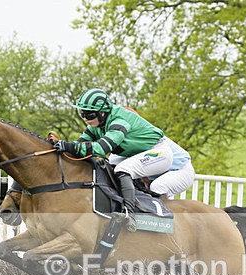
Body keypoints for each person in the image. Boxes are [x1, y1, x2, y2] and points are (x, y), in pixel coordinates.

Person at [51, 88, 195, 230]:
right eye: (82, 113)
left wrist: (68, 146)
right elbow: (79, 145)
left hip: (172, 163)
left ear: (102, 113)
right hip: (153, 158)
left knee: (143, 180)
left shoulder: (120, 121)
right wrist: (59, 148)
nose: (84, 118)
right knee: (110, 165)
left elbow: (101, 148)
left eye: (88, 114)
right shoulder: (98, 124)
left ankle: (132, 215)